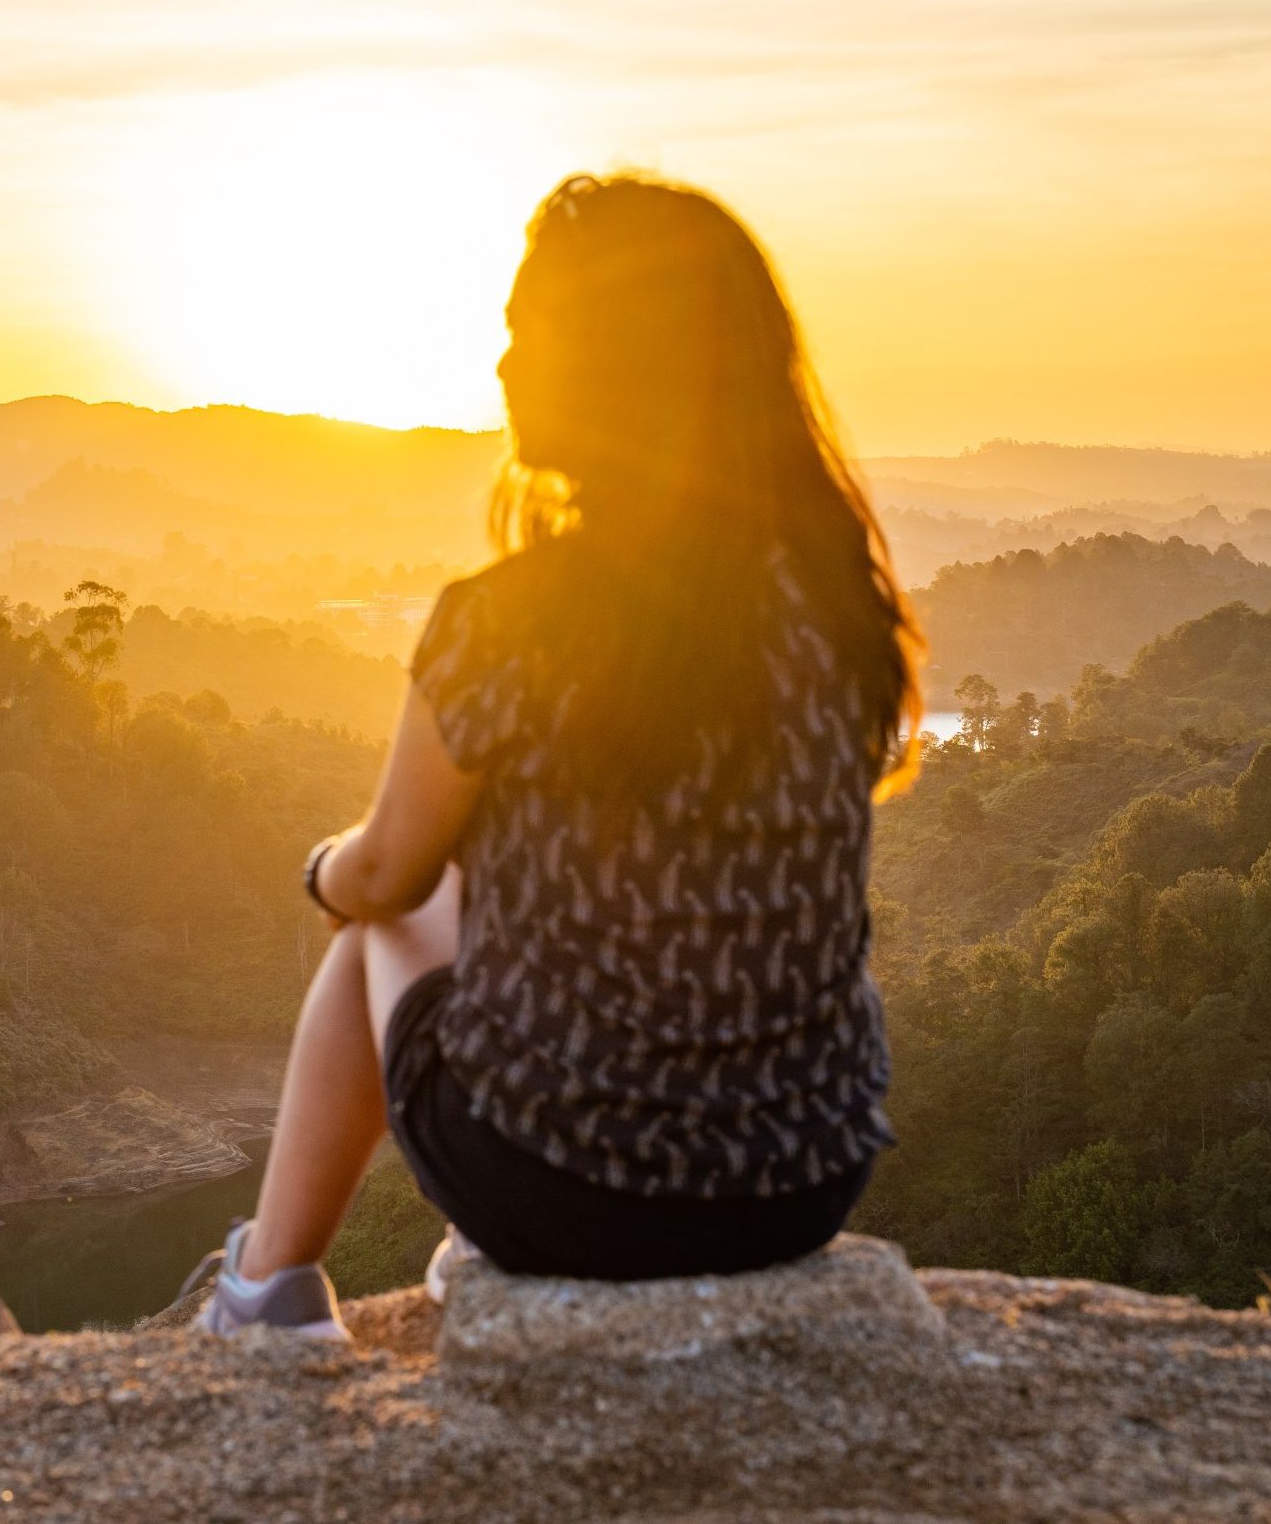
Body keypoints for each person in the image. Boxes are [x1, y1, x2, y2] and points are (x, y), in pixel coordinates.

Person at [184, 173, 924, 1341]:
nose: (503, 367)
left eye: (530, 334)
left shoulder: (514, 619)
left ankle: (267, 1293)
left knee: (376, 925)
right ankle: (299, 1279)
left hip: (568, 1191)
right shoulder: (832, 608)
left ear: (611, 369)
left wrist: (321, 870)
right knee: (492, 885)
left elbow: (387, 879)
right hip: (798, 1191)